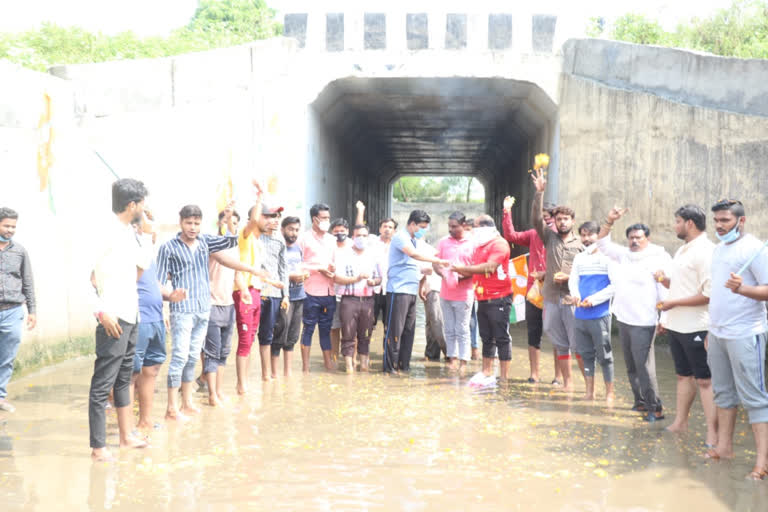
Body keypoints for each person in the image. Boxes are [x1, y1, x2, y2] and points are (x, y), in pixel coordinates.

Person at [156, 204, 261, 421]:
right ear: (180, 222)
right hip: (182, 310)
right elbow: (157, 281)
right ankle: (171, 409)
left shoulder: (205, 242)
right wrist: (169, 296)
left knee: (194, 356)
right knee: (179, 357)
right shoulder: (169, 247)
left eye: (196, 223)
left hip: (204, 309)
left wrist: (230, 220)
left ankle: (187, 403)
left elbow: (232, 241)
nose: (193, 227)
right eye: (188, 223)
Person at [703, 198, 768, 480]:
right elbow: (718, 293)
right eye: (716, 221)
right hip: (718, 333)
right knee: (723, 394)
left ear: (741, 221)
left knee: (754, 398)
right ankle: (724, 448)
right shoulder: (718, 249)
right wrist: (710, 329)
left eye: (725, 220)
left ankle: (762, 462)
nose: (719, 226)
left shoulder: (756, 249)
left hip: (746, 333)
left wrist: (743, 290)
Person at [88, 179, 152, 460]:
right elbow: (85, 278)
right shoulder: (105, 232)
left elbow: (142, 268)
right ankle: (98, 446)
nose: (145, 208)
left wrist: (148, 235)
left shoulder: (128, 233)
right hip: (112, 318)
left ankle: (126, 437)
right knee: (103, 383)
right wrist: (101, 311)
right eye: (142, 203)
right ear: (132, 205)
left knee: (124, 378)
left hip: (131, 315)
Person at [597, 207, 671, 421]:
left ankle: (655, 408)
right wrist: (609, 221)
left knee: (645, 367)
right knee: (630, 365)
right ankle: (639, 402)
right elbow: (602, 243)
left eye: (638, 237)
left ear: (647, 238)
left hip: (645, 320)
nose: (634, 241)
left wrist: (664, 318)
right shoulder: (624, 255)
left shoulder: (658, 256)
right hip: (624, 318)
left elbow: (665, 289)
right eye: (631, 238)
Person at [654, 204, 717, 446]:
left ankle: (713, 434)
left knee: (705, 380)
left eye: (677, 221)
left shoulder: (707, 252)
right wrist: (664, 281)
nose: (674, 226)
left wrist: (673, 304)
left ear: (689, 223)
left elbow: (709, 295)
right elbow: (681, 286)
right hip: (677, 325)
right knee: (682, 376)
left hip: (698, 326)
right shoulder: (682, 251)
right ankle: (681, 422)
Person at [530, 169, 585, 391]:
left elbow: (587, 274)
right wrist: (539, 193)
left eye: (566, 219)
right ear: (554, 221)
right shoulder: (549, 238)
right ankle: (568, 384)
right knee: (560, 343)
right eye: (558, 219)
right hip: (552, 298)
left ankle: (589, 387)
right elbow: (535, 219)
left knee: (578, 345)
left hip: (573, 299)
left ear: (572, 221)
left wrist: (570, 277)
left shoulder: (582, 245)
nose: (562, 222)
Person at [131, 208, 184, 429]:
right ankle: (125, 425)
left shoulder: (148, 255)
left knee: (151, 369)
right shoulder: (128, 251)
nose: (155, 229)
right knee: (131, 372)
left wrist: (170, 296)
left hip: (155, 319)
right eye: (149, 223)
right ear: (136, 227)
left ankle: (145, 420)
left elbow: (153, 285)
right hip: (138, 319)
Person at [502, 195, 561, 384]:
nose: (546, 220)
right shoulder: (533, 234)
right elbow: (511, 236)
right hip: (533, 291)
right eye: (543, 217)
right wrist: (506, 211)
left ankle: (559, 377)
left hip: (557, 290)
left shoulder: (563, 237)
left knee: (557, 335)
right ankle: (534, 374)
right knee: (533, 333)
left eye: (550, 217)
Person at [383, 210, 450, 374]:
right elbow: (413, 255)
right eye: (421, 227)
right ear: (412, 224)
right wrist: (437, 260)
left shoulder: (414, 240)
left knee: (409, 331)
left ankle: (404, 366)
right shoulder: (401, 237)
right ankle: (390, 368)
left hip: (411, 291)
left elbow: (411, 264)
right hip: (398, 291)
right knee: (395, 332)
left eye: (425, 227)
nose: (423, 230)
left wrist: (423, 281)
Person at [451, 215, 514, 380]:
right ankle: (486, 371)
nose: (473, 231)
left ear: (486, 228)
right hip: (482, 297)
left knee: (501, 337)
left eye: (476, 227)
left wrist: (464, 269)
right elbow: (473, 267)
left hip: (499, 297)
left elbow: (490, 267)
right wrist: (455, 269)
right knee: (486, 336)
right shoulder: (480, 246)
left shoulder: (499, 244)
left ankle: (505, 377)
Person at [567, 221, 615, 402]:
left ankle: (610, 393)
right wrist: (576, 296)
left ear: (598, 236)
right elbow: (573, 281)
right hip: (580, 314)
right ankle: (589, 392)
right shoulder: (579, 258)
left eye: (590, 235)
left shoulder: (608, 257)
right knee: (585, 354)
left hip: (600, 314)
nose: (586, 239)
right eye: (583, 235)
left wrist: (593, 300)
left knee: (605, 355)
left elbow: (614, 286)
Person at [201, 205, 240, 405]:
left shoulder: (235, 248)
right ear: (219, 224)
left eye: (234, 223)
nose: (230, 226)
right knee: (212, 352)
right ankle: (211, 395)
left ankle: (218, 390)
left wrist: (245, 293)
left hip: (229, 304)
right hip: (212, 304)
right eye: (225, 222)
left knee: (224, 352)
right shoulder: (212, 244)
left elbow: (237, 273)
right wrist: (227, 219)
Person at [0, 207, 36, 413]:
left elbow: (28, 282)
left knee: (6, 357)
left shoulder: (20, 251)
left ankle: (0, 396)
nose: (10, 230)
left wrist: (32, 311)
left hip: (13, 311)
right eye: (6, 225)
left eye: (13, 226)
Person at [334, 224, 381, 372]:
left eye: (364, 235)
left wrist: (374, 282)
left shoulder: (373, 255)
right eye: (358, 235)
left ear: (368, 237)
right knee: (348, 335)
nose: (361, 238)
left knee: (365, 335)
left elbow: (379, 277)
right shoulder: (343, 254)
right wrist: (356, 278)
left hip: (368, 300)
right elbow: (337, 278)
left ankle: (364, 367)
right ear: (352, 237)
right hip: (349, 300)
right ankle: (349, 369)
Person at [233, 192, 266, 394]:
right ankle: (241, 384)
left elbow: (256, 270)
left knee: (251, 338)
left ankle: (244, 381)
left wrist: (273, 282)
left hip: (256, 291)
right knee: (245, 339)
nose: (268, 221)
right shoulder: (244, 236)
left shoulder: (258, 243)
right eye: (265, 216)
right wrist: (259, 197)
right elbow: (254, 220)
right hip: (244, 292)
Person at [434, 211, 474, 372]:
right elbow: (436, 262)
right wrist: (443, 273)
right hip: (445, 293)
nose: (451, 229)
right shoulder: (444, 242)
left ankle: (464, 361)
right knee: (449, 328)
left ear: (464, 226)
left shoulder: (472, 243)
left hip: (464, 294)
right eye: (449, 226)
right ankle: (452, 358)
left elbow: (476, 268)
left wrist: (459, 276)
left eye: (454, 227)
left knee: (462, 328)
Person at [299, 203, 337, 372]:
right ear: (315, 219)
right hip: (310, 292)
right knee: (308, 329)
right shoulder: (303, 238)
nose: (327, 221)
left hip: (329, 292)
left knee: (326, 329)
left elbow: (336, 261)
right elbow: (297, 264)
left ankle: (328, 364)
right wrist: (317, 269)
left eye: (328, 218)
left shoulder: (332, 240)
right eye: (324, 218)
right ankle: (305, 368)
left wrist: (333, 268)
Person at [271, 216, 308, 378]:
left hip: (299, 295)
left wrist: (302, 275)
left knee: (293, 335)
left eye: (296, 230)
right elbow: (274, 273)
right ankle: (273, 373)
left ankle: (288, 373)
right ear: (282, 230)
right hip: (283, 297)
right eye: (290, 229)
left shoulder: (298, 248)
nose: (294, 233)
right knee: (279, 334)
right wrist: (290, 277)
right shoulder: (277, 248)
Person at [257, 203, 289, 381]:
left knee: (269, 333)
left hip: (275, 294)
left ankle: (266, 375)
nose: (276, 220)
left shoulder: (279, 239)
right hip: (255, 292)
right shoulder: (254, 238)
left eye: (277, 216)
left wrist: (286, 295)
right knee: (247, 336)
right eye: (271, 216)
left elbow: (283, 268)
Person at [419, 241, 446, 362]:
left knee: (437, 322)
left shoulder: (424, 250)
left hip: (435, 289)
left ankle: (450, 354)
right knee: (430, 323)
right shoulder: (420, 248)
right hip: (430, 289)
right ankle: (431, 354)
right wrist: (421, 287)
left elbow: (428, 270)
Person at [329, 218, 352, 365]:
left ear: (348, 232)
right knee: (334, 327)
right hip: (332, 293)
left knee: (351, 329)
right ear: (332, 232)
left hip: (350, 294)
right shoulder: (328, 246)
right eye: (336, 231)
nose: (339, 234)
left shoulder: (353, 246)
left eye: (342, 231)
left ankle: (351, 358)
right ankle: (334, 357)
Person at [463, 218, 479, 361]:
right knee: (467, 320)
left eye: (469, 230)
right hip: (463, 288)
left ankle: (475, 350)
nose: (467, 233)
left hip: (478, 288)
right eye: (465, 230)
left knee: (474, 320)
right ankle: (467, 350)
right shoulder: (462, 246)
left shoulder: (479, 245)